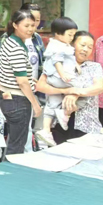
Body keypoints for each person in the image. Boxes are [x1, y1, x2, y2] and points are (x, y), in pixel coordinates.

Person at [36, 32, 103, 144]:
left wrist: (76, 93)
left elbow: (100, 87)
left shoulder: (94, 67)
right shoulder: (57, 64)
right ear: (72, 45)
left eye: (90, 47)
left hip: (86, 124)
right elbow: (40, 86)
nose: (85, 49)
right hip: (58, 122)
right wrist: (65, 91)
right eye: (82, 45)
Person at [0, 9, 42, 156]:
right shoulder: (16, 47)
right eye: (26, 25)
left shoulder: (9, 41)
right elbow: (22, 82)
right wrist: (35, 104)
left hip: (7, 96)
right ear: (15, 25)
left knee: (14, 143)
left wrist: (29, 78)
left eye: (33, 25)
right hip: (18, 100)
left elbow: (12, 72)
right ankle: (10, 171)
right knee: (17, 147)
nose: (30, 29)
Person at [35, 17, 79, 147]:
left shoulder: (58, 44)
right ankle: (64, 114)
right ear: (58, 34)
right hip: (58, 77)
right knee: (80, 88)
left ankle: (46, 130)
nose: (72, 38)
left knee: (52, 102)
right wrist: (63, 74)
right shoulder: (58, 46)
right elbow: (57, 61)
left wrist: (76, 65)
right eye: (70, 34)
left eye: (73, 35)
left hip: (53, 78)